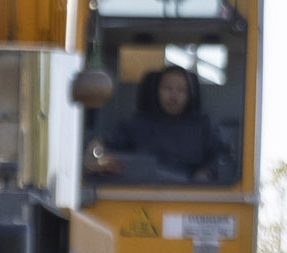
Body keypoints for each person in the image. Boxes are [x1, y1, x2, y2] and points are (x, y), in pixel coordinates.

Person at [89, 64, 234, 186]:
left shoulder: (205, 125)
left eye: (181, 90)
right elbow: (107, 152)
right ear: (155, 92)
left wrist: (206, 172)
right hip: (140, 191)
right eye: (167, 89)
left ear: (190, 95)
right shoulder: (134, 125)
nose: (174, 96)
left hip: (190, 191)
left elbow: (220, 157)